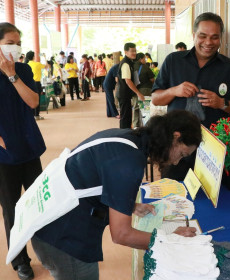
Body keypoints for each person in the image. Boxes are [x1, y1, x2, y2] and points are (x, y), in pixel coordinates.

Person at [31, 110, 201, 280]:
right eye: (181, 154)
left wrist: (130, 205)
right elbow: (121, 234)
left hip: (51, 222)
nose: (176, 162)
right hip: (63, 240)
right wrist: (170, 238)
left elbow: (99, 179)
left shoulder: (130, 138)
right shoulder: (130, 162)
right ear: (175, 137)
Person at [152, 12, 230, 180]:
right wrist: (174, 91)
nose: (208, 42)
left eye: (214, 37)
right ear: (194, 35)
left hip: (214, 150)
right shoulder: (173, 61)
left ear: (221, 38)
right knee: (173, 195)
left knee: (213, 200)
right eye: (202, 36)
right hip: (176, 147)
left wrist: (222, 104)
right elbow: (155, 98)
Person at [0, 22, 46, 280]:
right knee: (11, 208)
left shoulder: (24, 69)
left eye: (18, 42)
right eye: (9, 42)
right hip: (4, 155)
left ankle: (47, 252)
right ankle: (20, 260)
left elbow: (33, 101)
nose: (15, 47)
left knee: (39, 203)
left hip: (29, 147)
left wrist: (12, 75)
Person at [116, 42, 145, 129]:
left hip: (125, 94)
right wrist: (138, 93)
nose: (134, 53)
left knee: (127, 116)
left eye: (135, 51)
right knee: (125, 118)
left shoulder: (130, 62)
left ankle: (126, 133)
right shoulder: (125, 63)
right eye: (132, 51)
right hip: (123, 94)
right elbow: (128, 81)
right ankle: (124, 135)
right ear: (125, 52)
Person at [25, 50, 46, 120]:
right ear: (33, 57)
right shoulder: (37, 64)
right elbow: (46, 66)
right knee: (37, 99)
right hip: (36, 83)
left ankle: (31, 115)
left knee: (29, 99)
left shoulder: (26, 64)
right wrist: (44, 57)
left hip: (28, 83)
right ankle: (36, 115)